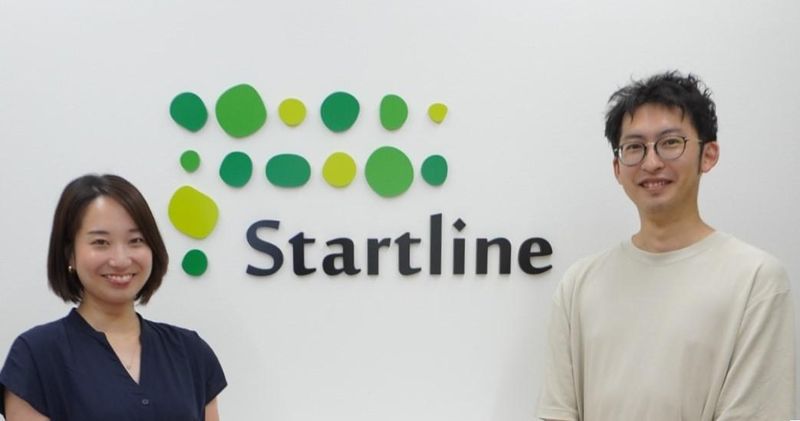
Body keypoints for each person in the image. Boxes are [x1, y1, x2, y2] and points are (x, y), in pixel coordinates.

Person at [536, 71, 795, 420]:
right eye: (634, 147)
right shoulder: (578, 285)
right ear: (617, 167)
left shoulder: (756, 280)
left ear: (708, 154)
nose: (651, 162)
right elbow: (557, 413)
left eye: (670, 142)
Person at [0, 174, 227, 421]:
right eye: (101, 242)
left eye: (136, 240)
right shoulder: (36, 356)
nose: (120, 259)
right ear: (69, 254)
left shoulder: (191, 352)